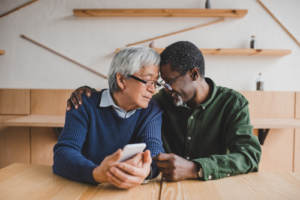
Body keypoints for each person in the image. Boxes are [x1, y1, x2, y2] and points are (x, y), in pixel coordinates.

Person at [68, 41, 261, 182]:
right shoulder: (159, 102)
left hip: (215, 188)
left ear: (194, 74)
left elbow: (249, 156)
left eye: (169, 82)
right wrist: (88, 94)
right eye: (160, 83)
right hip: (164, 188)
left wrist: (196, 168)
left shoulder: (232, 103)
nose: (161, 89)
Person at [53, 46, 164, 189]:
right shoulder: (84, 104)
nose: (152, 89)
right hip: (84, 188)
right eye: (148, 81)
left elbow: (155, 151)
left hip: (132, 191)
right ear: (121, 80)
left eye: (155, 83)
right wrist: (96, 173)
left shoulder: (151, 110)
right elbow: (64, 153)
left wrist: (146, 171)